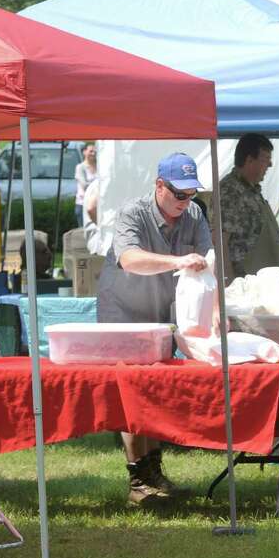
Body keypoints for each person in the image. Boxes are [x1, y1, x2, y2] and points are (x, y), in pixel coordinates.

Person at [97, 152, 212, 505]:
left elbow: (210, 261)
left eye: (192, 194)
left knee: (154, 393)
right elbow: (130, 259)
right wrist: (177, 261)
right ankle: (137, 482)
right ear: (159, 186)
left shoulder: (193, 214)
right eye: (179, 194)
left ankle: (154, 473)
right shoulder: (133, 213)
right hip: (123, 312)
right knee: (130, 394)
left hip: (159, 313)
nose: (186, 202)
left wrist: (217, 309)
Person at [219, 133, 279, 280]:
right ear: (249, 160)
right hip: (245, 282)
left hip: (263, 280)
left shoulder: (251, 190)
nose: (270, 164)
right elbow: (220, 241)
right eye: (266, 159)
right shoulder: (230, 191)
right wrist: (228, 286)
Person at [73, 142, 98, 225]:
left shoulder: (100, 166)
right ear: (84, 152)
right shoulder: (80, 167)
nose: (93, 153)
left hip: (97, 204)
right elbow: (84, 185)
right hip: (83, 204)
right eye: (91, 151)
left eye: (95, 151)